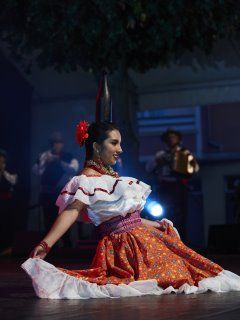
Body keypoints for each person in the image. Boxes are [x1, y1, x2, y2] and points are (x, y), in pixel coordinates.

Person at [22, 121, 240, 299]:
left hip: (140, 239)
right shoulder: (86, 180)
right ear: (97, 146)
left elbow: (129, 219)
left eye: (120, 143)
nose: (120, 149)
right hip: (125, 248)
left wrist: (156, 224)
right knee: (178, 276)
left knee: (193, 269)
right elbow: (71, 212)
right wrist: (46, 244)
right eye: (114, 143)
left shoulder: (108, 177)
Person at [146, 128, 199, 242]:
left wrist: (189, 166)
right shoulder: (161, 154)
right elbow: (149, 168)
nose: (171, 139)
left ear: (178, 139)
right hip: (165, 187)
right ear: (165, 140)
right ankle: (167, 240)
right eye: (169, 138)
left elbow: (195, 169)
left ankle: (182, 241)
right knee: (165, 213)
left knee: (181, 215)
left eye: (174, 137)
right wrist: (158, 161)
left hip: (180, 187)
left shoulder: (185, 153)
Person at [33, 132, 79, 246]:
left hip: (61, 194)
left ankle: (67, 247)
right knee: (48, 221)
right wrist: (45, 163)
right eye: (55, 143)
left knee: (63, 220)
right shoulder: (44, 155)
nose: (57, 145)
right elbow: (36, 171)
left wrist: (60, 162)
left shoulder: (68, 156)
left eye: (59, 143)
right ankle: (50, 248)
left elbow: (74, 169)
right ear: (51, 144)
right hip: (47, 193)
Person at [0, 149, 18, 253]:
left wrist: (3, 171)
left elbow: (14, 180)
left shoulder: (10, 168)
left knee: (7, 224)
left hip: (7, 201)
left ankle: (8, 247)